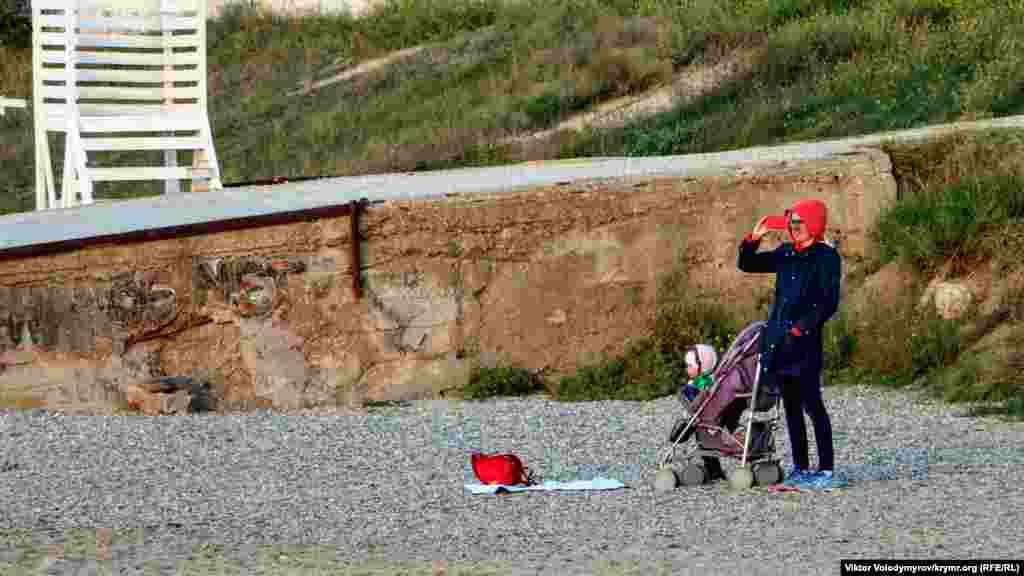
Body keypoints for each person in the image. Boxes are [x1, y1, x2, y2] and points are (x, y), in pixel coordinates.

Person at [737, 198, 845, 490]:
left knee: (814, 406)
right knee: (792, 410)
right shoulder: (786, 253)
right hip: (778, 344)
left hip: (805, 345)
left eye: (799, 223)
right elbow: (747, 264)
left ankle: (825, 469)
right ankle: (800, 467)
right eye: (791, 224)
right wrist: (753, 239)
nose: (794, 229)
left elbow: (828, 302)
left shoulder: (826, 258)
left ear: (814, 224)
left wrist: (801, 329)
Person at [682, 344, 745, 482]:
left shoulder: (707, 383)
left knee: (704, 439)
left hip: (711, 417)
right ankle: (715, 470)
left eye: (690, 365)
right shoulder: (716, 380)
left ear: (703, 365)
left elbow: (696, 403)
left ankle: (714, 471)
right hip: (720, 413)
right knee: (711, 437)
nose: (687, 369)